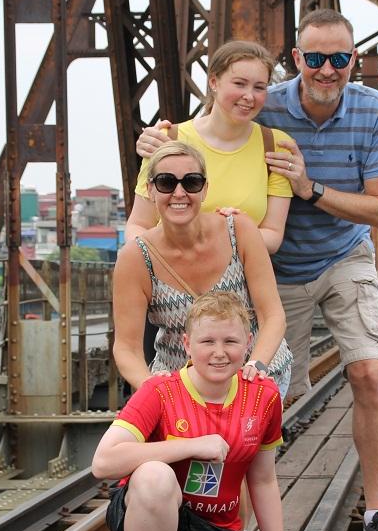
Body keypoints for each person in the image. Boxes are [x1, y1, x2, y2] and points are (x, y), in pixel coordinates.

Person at [137, 9, 378, 531]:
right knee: (260, 400)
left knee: (368, 368)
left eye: (340, 59)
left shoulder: (371, 110)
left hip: (343, 255)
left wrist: (309, 188)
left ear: (354, 60)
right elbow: (212, 131)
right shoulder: (267, 101)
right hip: (272, 270)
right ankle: (224, 528)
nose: (327, 69)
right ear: (297, 59)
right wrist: (157, 140)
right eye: (315, 58)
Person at [92, 291, 293, 531]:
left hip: (216, 530)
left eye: (230, 341)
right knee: (154, 475)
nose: (218, 352)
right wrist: (190, 445)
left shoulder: (264, 397)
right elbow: (103, 462)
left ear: (248, 343)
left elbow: (263, 480)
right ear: (186, 344)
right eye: (207, 341)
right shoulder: (159, 391)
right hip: (149, 513)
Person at [113, 141, 293, 398]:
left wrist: (255, 366)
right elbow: (126, 348)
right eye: (166, 182)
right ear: (150, 190)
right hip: (181, 385)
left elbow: (272, 315)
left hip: (252, 373)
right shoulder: (136, 258)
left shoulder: (238, 230)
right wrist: (153, 389)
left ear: (205, 189)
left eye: (191, 182)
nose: (179, 193)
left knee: (240, 436)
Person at [125, 40, 294, 254]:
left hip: (235, 282)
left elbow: (273, 234)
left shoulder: (276, 146)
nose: (249, 96)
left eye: (259, 87)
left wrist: (229, 233)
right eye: (239, 84)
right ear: (214, 82)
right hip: (170, 270)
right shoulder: (168, 139)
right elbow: (138, 224)